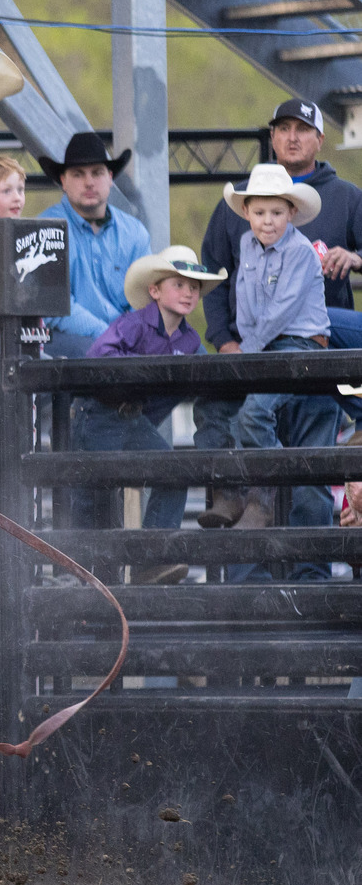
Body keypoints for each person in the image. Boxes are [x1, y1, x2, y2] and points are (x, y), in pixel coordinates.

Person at [197, 98, 362, 526]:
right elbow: (215, 277)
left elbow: (287, 308)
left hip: (311, 354)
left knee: (311, 477)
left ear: (320, 140)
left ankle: (310, 580)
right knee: (231, 423)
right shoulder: (236, 221)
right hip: (252, 350)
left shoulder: (347, 199)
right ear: (271, 137)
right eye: (284, 128)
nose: (292, 137)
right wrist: (226, 340)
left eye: (303, 129)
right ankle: (246, 571)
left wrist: (356, 257)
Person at [69, 247, 224, 584]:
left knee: (174, 472)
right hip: (99, 414)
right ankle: (87, 581)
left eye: (194, 287)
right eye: (178, 284)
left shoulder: (189, 340)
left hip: (130, 420)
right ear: (154, 291)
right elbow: (99, 357)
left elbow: (210, 372)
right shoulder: (133, 324)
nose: (187, 292)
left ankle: (150, 560)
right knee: (95, 497)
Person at [219, 164, 339, 579]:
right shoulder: (246, 247)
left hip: (305, 346)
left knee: (303, 466)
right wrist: (251, 350)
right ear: (247, 213)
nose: (267, 221)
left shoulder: (303, 253)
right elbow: (246, 306)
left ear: (290, 213)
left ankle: (262, 500)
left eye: (276, 213)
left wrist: (249, 357)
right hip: (269, 347)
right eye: (259, 213)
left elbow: (281, 311)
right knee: (228, 412)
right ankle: (241, 496)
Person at [37, 132, 152, 358]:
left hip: (126, 338)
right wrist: (109, 336)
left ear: (110, 177)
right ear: (63, 181)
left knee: (188, 347)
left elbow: (145, 298)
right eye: (78, 174)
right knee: (94, 353)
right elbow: (56, 308)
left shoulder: (134, 231)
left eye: (97, 173)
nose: (89, 182)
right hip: (72, 340)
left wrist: (126, 336)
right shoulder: (44, 230)